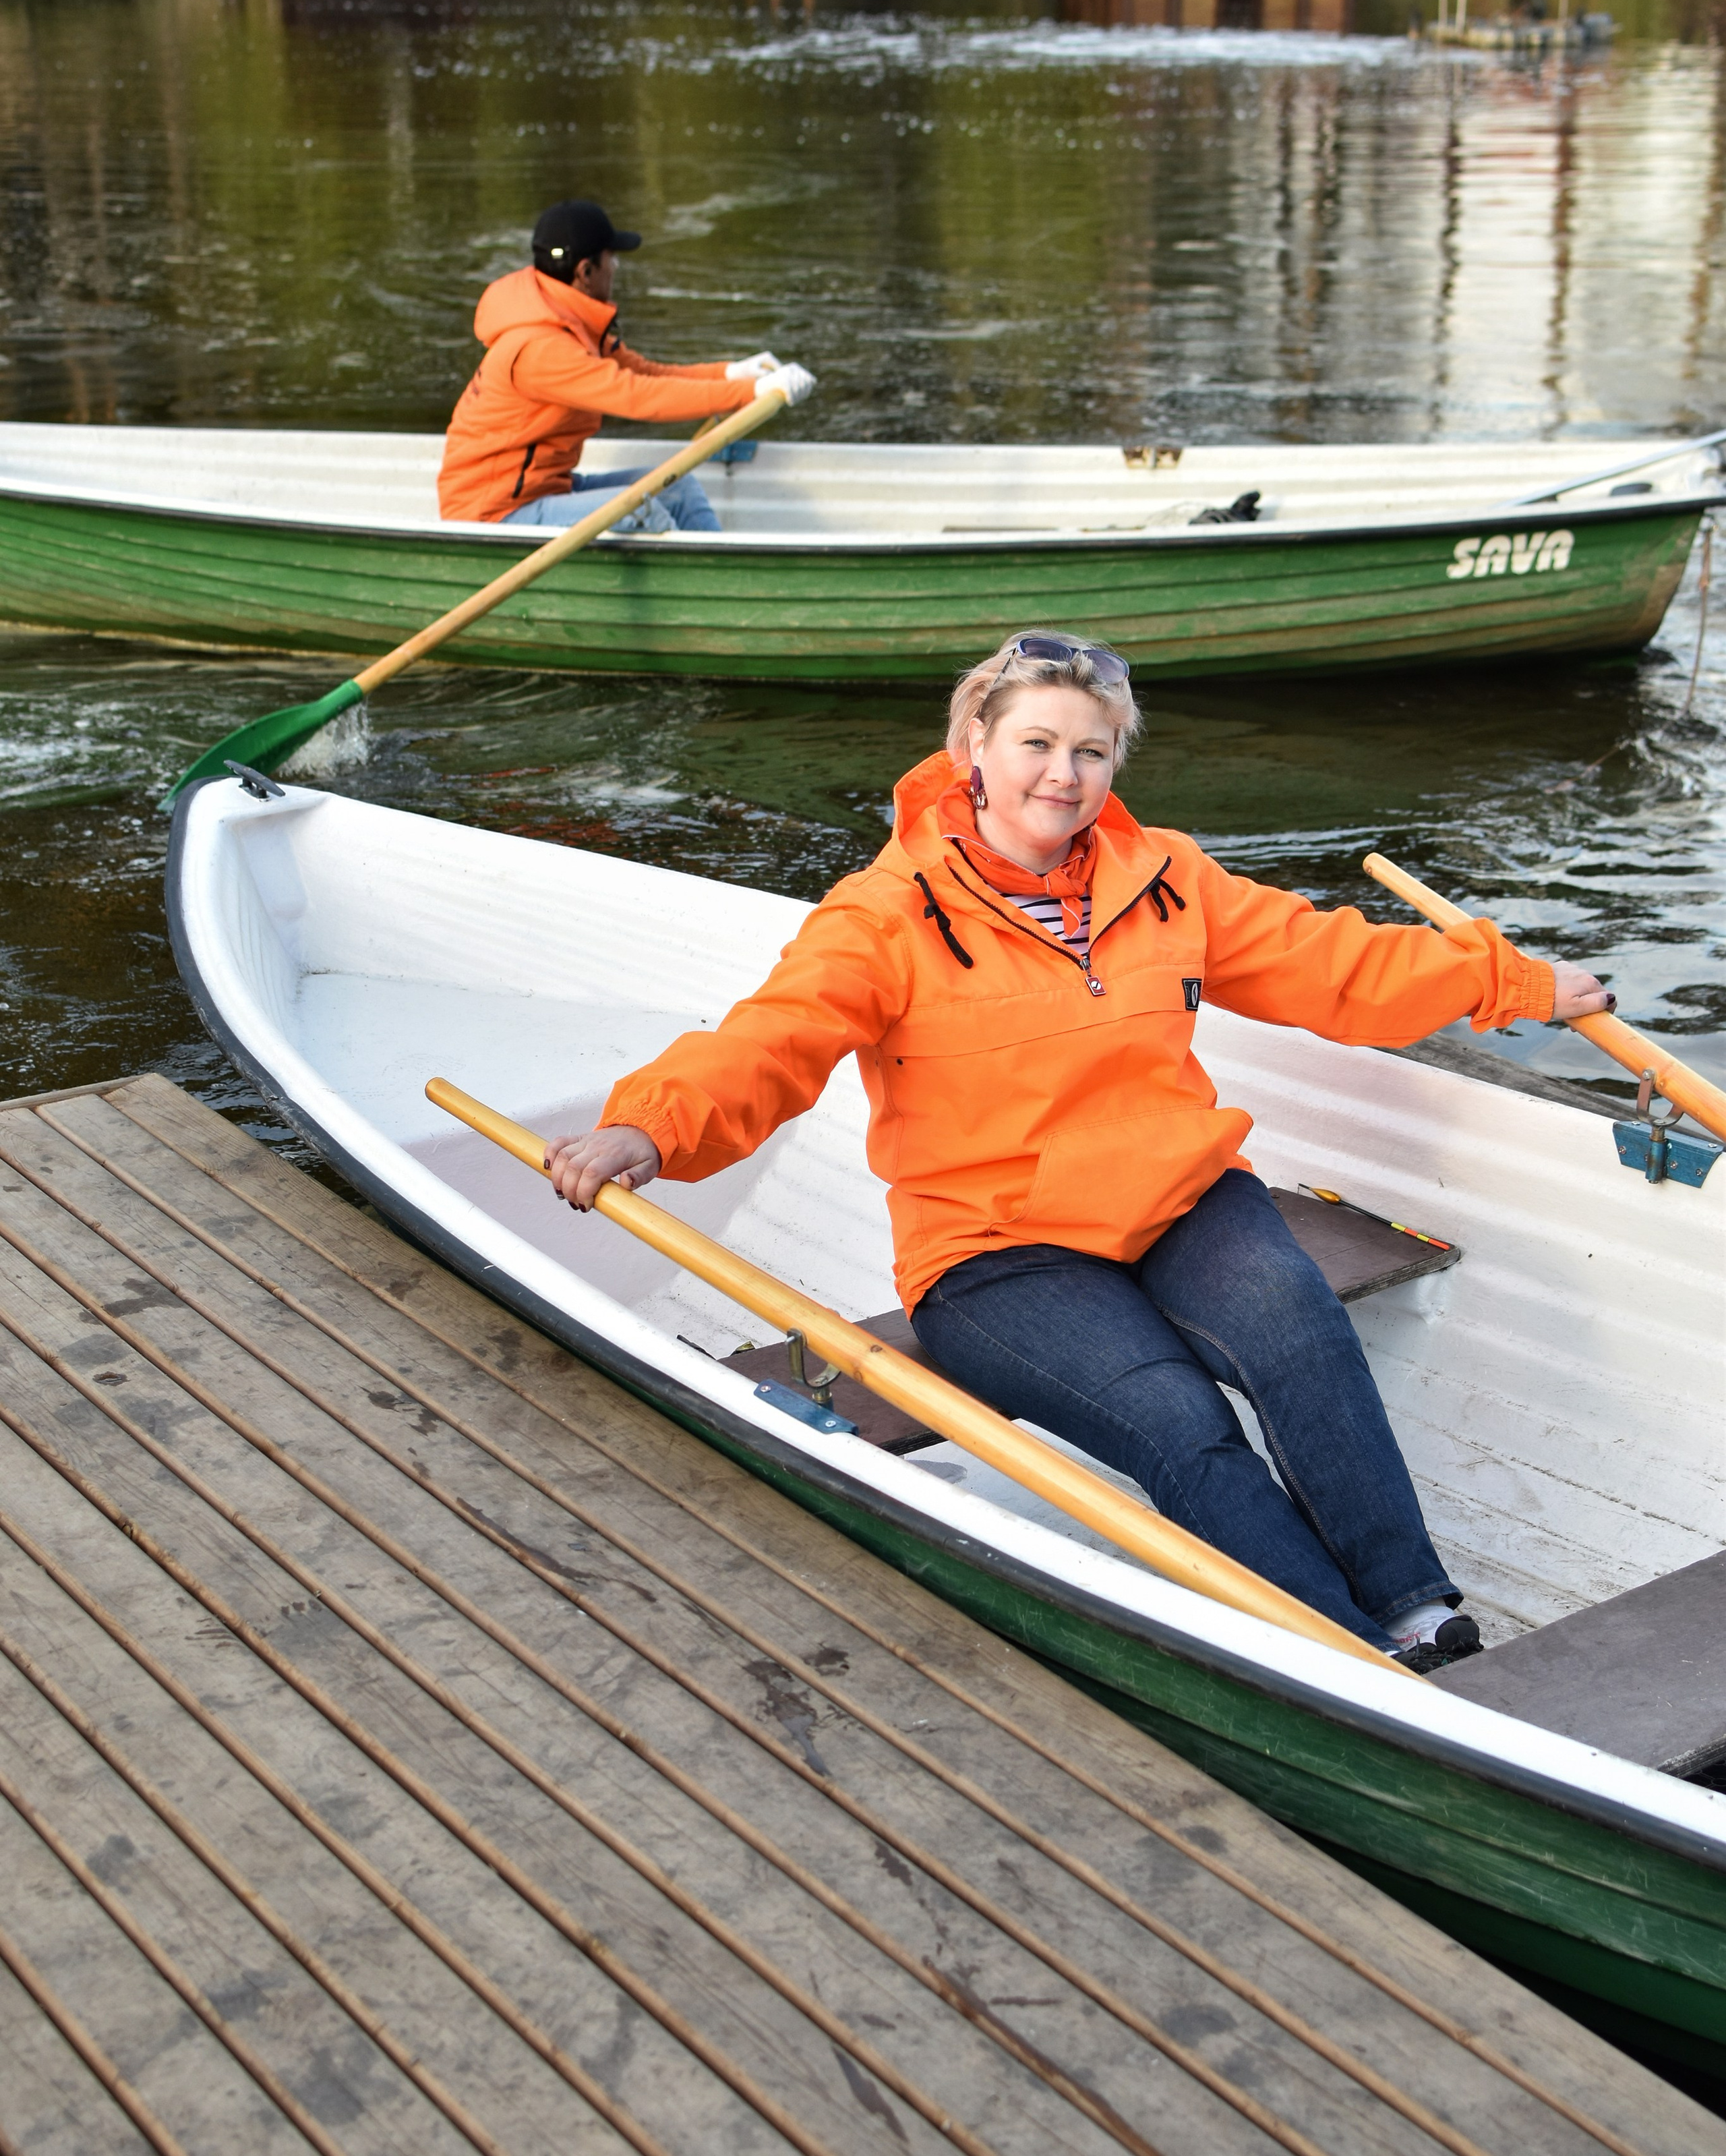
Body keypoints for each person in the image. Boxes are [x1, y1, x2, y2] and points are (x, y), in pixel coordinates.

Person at [542, 632, 1614, 1670]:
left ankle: (1415, 1610)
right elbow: (772, 1041)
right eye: (1037, 745)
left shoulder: (1167, 878)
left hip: (1174, 1191)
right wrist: (654, 1124)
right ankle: (1347, 1651)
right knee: (1174, 1418)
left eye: (1091, 752)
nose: (1064, 775)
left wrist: (1509, 984)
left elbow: (1331, 963)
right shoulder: (882, 916)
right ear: (975, 744)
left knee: (1299, 1332)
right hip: (995, 1249)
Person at [438, 198, 814, 534]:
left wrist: (732, 373)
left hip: (547, 488)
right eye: (611, 258)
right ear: (586, 271)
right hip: (495, 514)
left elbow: (647, 374)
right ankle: (706, 600)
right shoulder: (540, 348)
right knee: (642, 511)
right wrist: (751, 393)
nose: (615, 268)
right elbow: (637, 397)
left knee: (679, 489)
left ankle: (729, 583)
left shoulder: (571, 321)